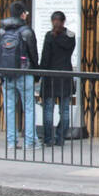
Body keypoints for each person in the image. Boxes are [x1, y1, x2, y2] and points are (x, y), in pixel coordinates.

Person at [0, 2, 39, 149]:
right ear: (23, 14)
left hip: (6, 75)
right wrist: (36, 73)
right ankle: (29, 142)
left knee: (9, 107)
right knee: (29, 108)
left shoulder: (1, 32)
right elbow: (33, 55)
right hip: (25, 74)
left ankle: (11, 141)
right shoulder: (27, 32)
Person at [38, 10, 76, 146]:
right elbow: (69, 53)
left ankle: (48, 138)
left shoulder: (49, 36)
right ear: (64, 21)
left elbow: (45, 58)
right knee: (64, 110)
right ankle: (60, 138)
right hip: (65, 76)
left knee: (48, 109)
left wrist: (39, 75)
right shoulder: (71, 36)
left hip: (51, 77)